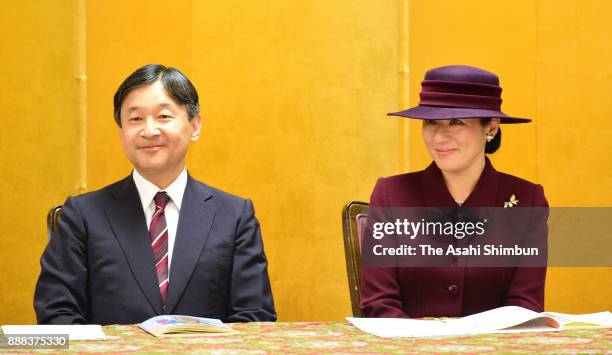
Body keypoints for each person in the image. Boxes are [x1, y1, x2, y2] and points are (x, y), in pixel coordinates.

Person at [34, 64, 276, 324]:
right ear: (121, 131)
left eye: (163, 116)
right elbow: (56, 315)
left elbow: (255, 319)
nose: (149, 131)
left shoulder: (235, 216)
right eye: (135, 119)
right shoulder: (82, 215)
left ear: (195, 125)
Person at [360, 65, 548, 318]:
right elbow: (379, 305)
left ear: (491, 128)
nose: (438, 138)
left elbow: (524, 307)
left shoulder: (527, 200)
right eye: (430, 122)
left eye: (456, 122)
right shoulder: (391, 194)